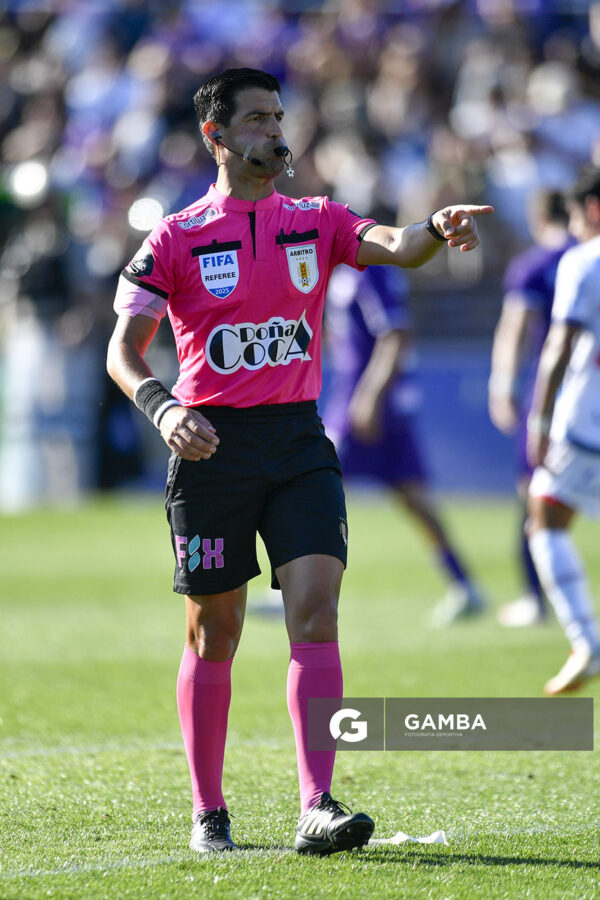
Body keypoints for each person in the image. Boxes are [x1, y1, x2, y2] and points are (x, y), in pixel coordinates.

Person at [106, 67, 492, 855]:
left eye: (278, 116)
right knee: (216, 632)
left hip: (298, 442)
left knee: (317, 614)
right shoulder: (175, 239)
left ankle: (317, 802)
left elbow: (392, 244)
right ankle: (208, 811)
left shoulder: (315, 219)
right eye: (255, 119)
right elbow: (123, 349)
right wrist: (165, 408)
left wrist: (433, 227)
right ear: (216, 137)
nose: (274, 131)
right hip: (210, 446)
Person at [322, 263, 485, 625]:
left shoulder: (370, 270)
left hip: (366, 406)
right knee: (413, 499)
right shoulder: (341, 271)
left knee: (315, 486)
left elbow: (395, 333)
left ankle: (289, 590)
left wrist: (371, 395)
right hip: (359, 400)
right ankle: (464, 584)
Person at [526, 165, 600, 696]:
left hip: (586, 422)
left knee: (545, 518)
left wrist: (540, 419)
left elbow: (559, 345)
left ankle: (587, 641)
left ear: (591, 210)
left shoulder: (585, 260)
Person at [488, 190, 573, 627]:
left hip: (554, 397)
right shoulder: (589, 258)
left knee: (534, 498)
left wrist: (502, 385)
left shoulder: (535, 265)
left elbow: (513, 329)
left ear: (538, 214)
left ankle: (533, 600)